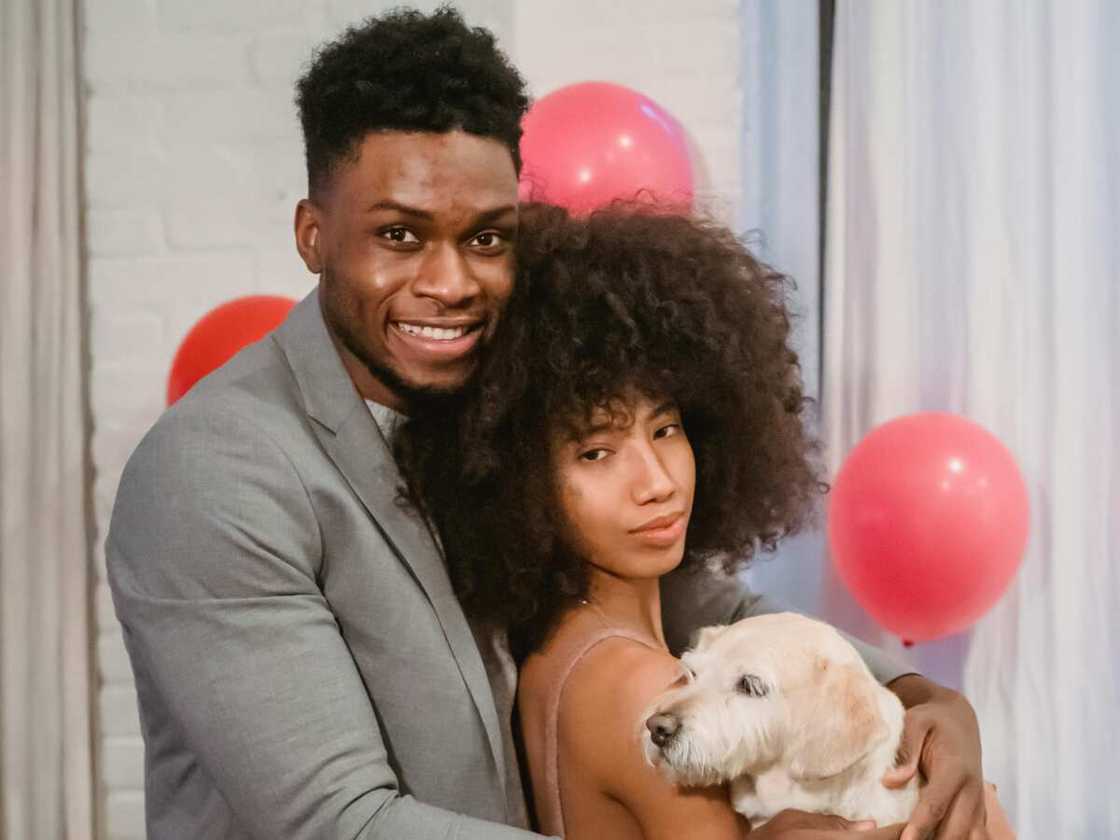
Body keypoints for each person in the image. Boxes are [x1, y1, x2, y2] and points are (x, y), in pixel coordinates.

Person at [107, 7, 995, 839]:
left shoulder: (478, 383)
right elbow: (343, 822)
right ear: (312, 234)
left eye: (487, 238)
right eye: (401, 237)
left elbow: (707, 602)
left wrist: (923, 699)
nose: (452, 282)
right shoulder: (212, 475)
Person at [397, 204, 1013, 840]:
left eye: (665, 429)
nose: (657, 482)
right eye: (597, 453)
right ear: (515, 479)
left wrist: (939, 702)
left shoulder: (558, 657)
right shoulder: (649, 689)